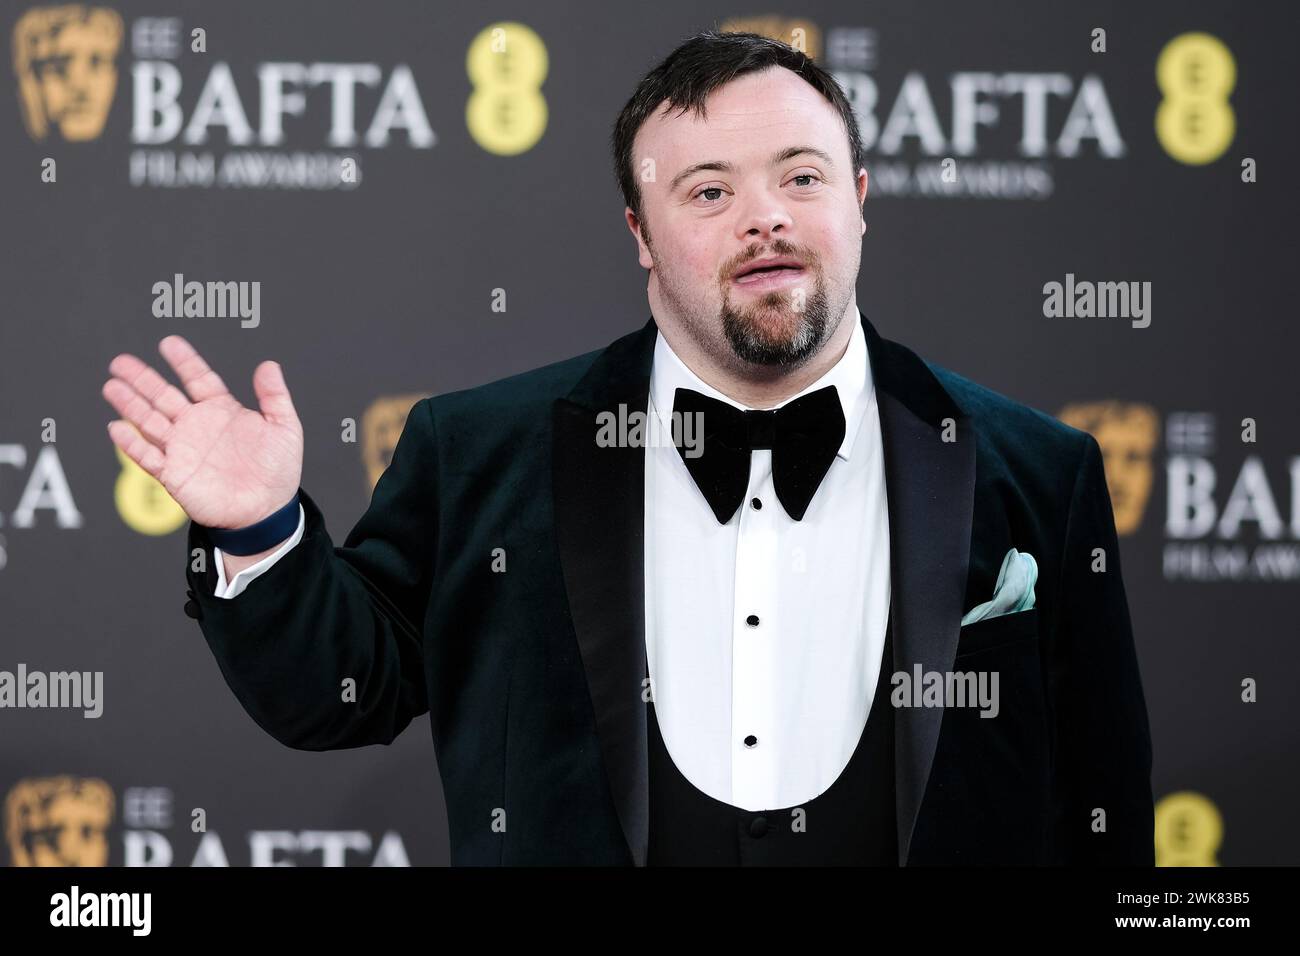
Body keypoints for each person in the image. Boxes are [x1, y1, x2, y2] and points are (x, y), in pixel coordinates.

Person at [100, 31, 1154, 866]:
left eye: (801, 177)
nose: (765, 219)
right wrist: (259, 527)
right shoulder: (478, 451)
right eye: (708, 191)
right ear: (641, 235)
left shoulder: (1035, 467)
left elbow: (1104, 809)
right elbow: (341, 691)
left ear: (859, 203)